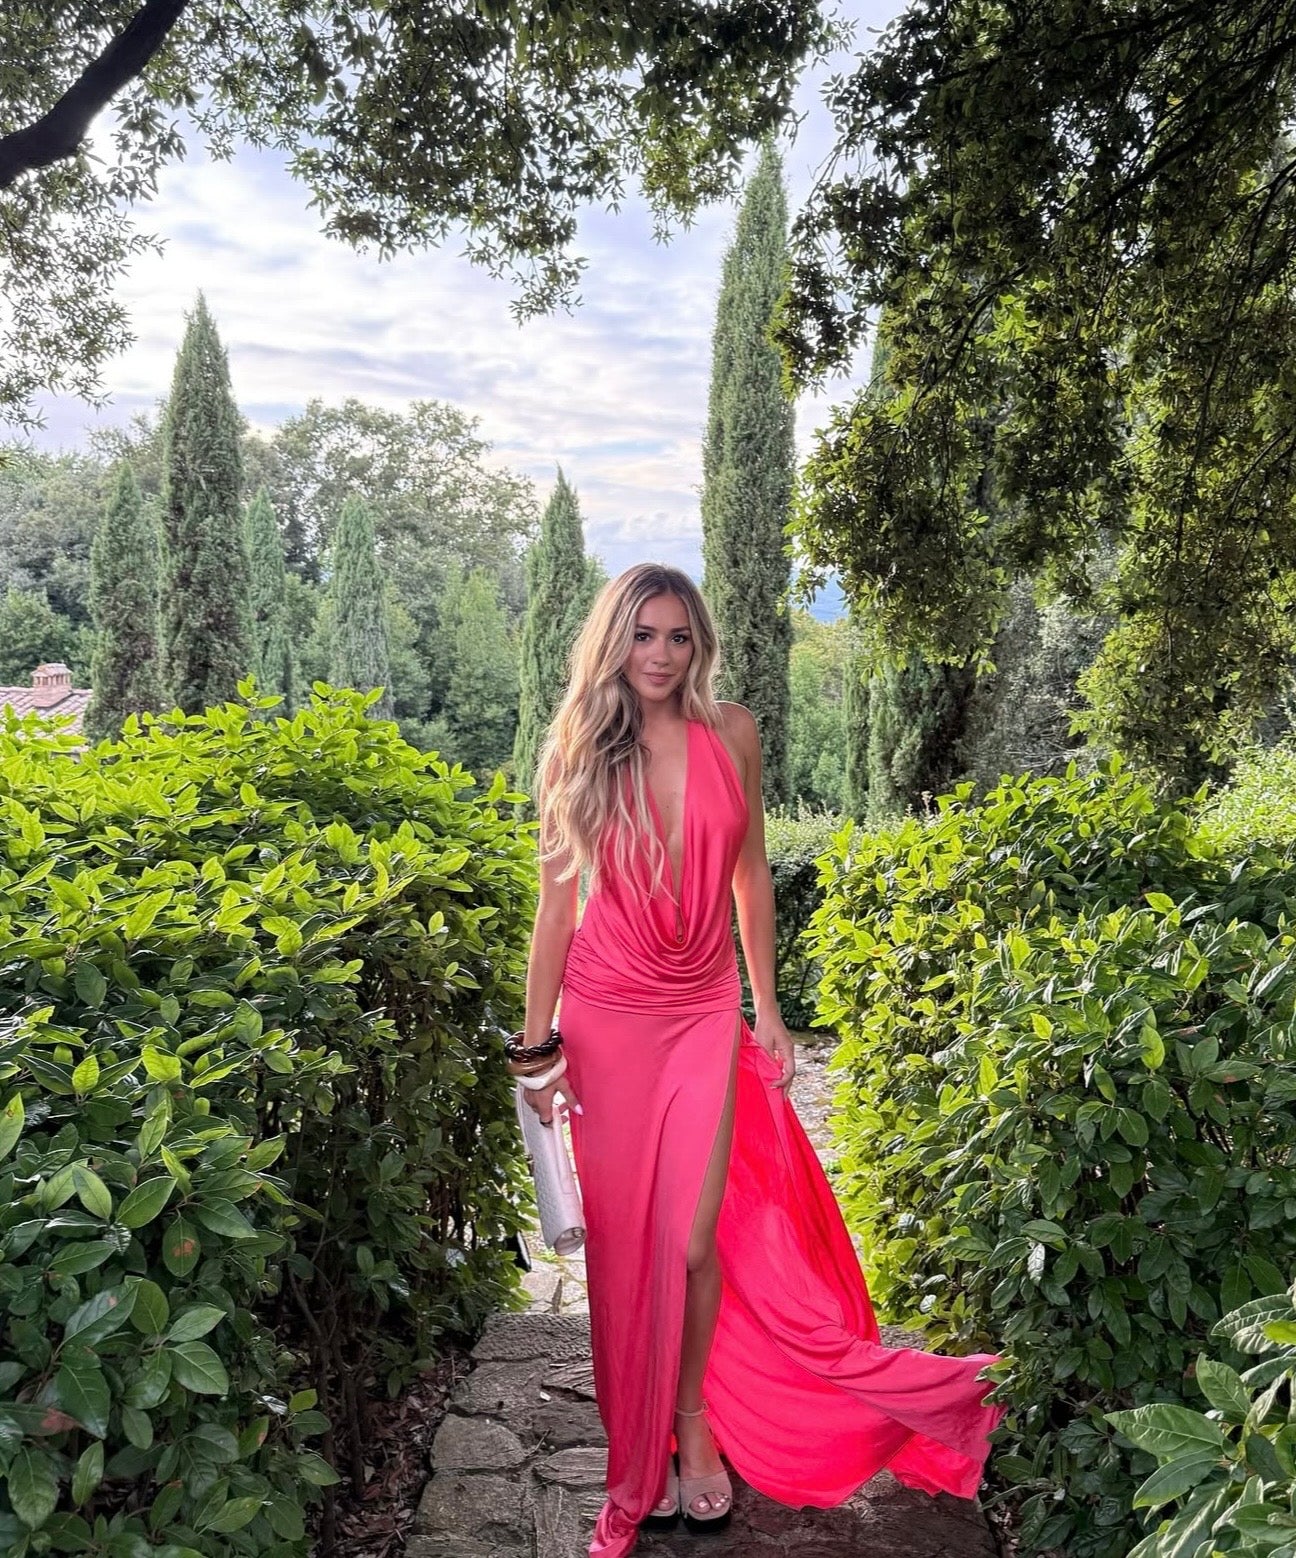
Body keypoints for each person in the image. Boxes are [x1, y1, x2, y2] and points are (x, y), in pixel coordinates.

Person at [511, 563, 1003, 1558]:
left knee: (693, 1242)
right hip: (608, 1017)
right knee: (628, 1249)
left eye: (678, 636)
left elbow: (750, 878)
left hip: (701, 1010)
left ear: (699, 646)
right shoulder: (578, 748)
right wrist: (536, 1044)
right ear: (613, 641)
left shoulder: (732, 731)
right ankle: (641, 1448)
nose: (659, 654)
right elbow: (557, 907)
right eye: (642, 634)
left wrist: (766, 1007)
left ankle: (692, 1420)